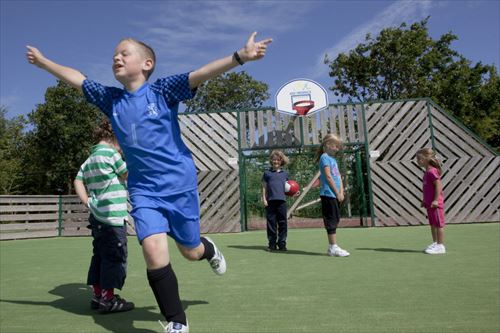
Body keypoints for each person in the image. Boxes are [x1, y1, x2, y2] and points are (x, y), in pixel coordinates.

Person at [27, 32, 272, 333]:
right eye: (114, 54)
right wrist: (43, 63)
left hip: (179, 185)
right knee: (154, 252)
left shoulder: (162, 91)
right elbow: (77, 78)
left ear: (147, 63)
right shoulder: (111, 99)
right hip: (143, 190)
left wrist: (239, 57)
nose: (116, 57)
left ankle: (209, 250)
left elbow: (200, 74)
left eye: (124, 53)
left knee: (190, 251)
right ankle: (177, 322)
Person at [74, 118, 134, 314]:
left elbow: (78, 180)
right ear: (114, 138)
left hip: (97, 218)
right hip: (113, 218)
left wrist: (88, 202)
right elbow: (127, 175)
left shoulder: (90, 159)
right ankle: (108, 300)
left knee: (99, 255)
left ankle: (98, 295)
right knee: (114, 256)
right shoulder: (111, 155)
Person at [315, 134, 350, 257]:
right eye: (336, 146)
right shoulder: (324, 158)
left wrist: (341, 192)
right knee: (331, 220)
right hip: (328, 194)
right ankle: (333, 247)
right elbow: (328, 177)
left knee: (335, 218)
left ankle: (332, 247)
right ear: (327, 145)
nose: (337, 149)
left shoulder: (333, 160)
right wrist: (336, 192)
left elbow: (338, 177)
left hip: (335, 195)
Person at [416, 148, 446, 255]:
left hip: (435, 204)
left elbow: (438, 185)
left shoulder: (432, 171)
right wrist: (425, 200)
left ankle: (440, 246)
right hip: (429, 204)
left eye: (418, 159)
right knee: (432, 224)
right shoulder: (427, 172)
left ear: (425, 160)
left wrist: (435, 200)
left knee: (439, 225)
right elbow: (427, 189)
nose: (417, 161)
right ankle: (435, 243)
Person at [262, 150, 292, 252]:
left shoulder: (285, 174)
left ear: (281, 161)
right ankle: (272, 244)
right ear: (271, 161)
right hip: (270, 202)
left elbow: (290, 188)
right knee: (271, 224)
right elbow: (264, 188)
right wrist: (264, 199)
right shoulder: (267, 173)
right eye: (274, 160)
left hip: (282, 202)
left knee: (283, 223)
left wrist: (294, 193)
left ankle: (282, 244)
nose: (276, 162)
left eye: (278, 160)